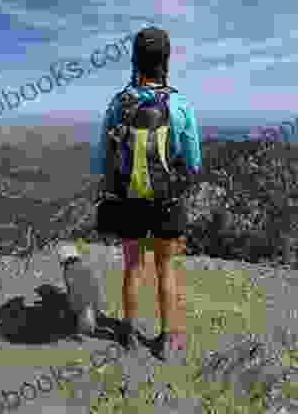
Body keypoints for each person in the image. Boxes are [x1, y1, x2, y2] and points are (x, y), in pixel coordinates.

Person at [90, 26, 202, 361]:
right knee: (166, 268)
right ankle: (167, 340)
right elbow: (193, 161)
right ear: (166, 60)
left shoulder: (118, 104)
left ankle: (129, 333)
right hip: (167, 200)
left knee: (133, 266)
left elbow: (103, 158)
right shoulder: (179, 105)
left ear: (135, 60)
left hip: (129, 200)